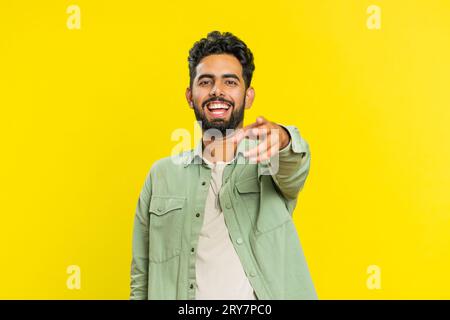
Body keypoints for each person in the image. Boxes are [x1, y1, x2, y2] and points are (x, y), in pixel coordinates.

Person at [130, 31, 317, 300]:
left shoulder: (269, 162)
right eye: (205, 82)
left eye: (230, 82)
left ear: (248, 96)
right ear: (190, 95)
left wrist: (284, 138)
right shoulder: (161, 176)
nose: (217, 90)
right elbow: (141, 275)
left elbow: (295, 166)